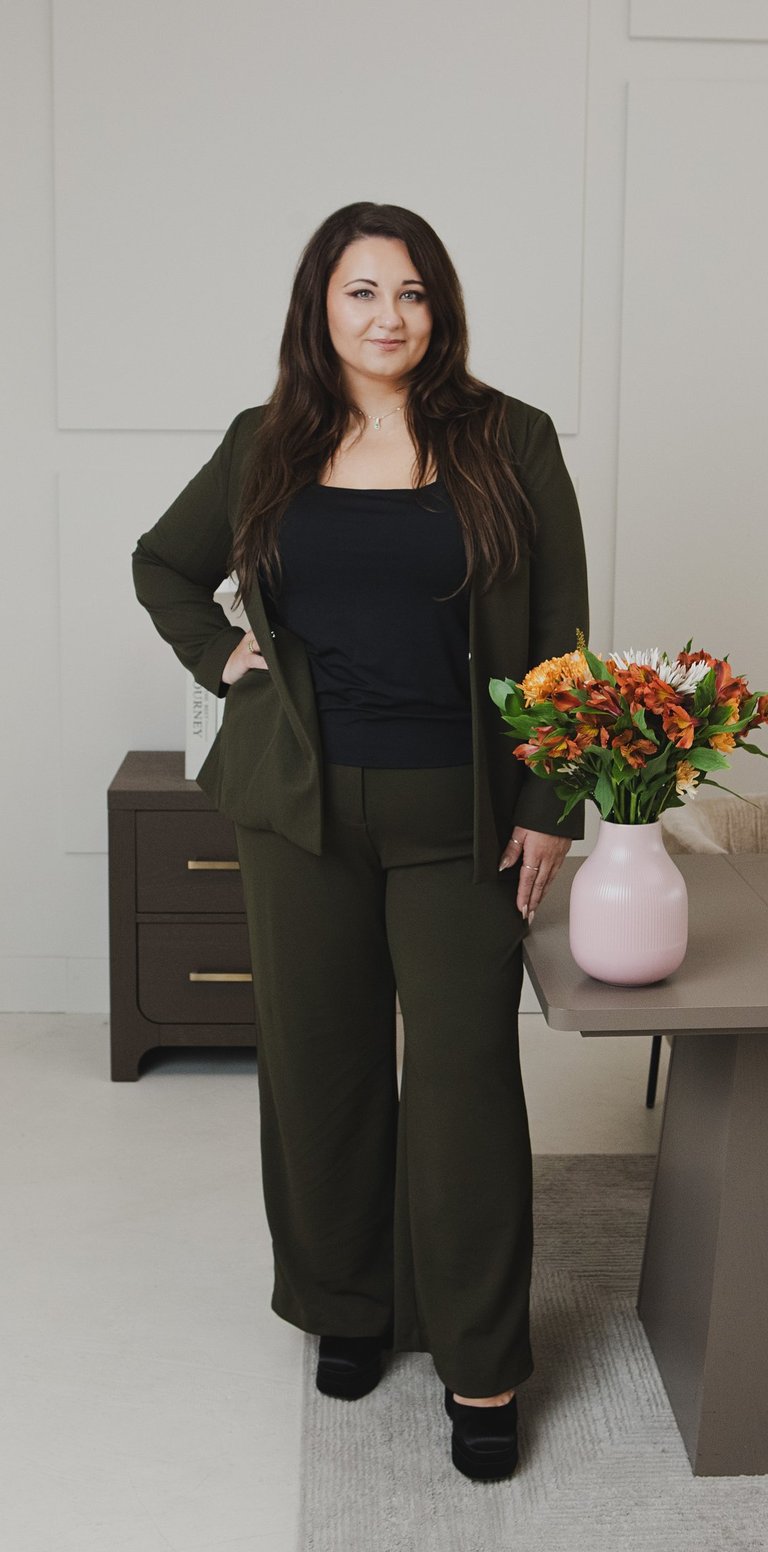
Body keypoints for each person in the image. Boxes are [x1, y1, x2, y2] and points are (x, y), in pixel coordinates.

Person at [131, 201, 589, 1481]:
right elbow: (164, 565)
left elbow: (562, 637)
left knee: (464, 1085)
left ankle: (482, 1359)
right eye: (362, 291)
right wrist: (228, 659)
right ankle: (347, 1302)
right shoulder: (265, 440)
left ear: (440, 308)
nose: (390, 316)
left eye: (413, 292)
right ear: (320, 307)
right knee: (319, 1069)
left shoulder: (511, 439)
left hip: (462, 816)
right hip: (299, 813)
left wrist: (549, 805)